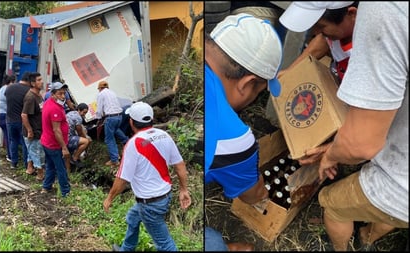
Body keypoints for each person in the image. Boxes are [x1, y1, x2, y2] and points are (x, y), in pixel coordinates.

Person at [280, 2, 408, 251]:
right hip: (380, 129)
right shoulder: (351, 31)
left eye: (323, 27)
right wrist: (290, 72)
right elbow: (322, 42)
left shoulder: (373, 43)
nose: (319, 34)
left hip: (392, 160)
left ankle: (350, 243)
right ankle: (366, 235)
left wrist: (331, 153)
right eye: (314, 28)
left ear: (352, 14)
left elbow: (362, 140)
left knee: (332, 202)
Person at [204, 13, 283, 251]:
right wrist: (266, 189)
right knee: (214, 243)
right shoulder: (233, 139)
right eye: (258, 92)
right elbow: (252, 195)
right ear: (248, 83)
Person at [103, 101, 191, 251]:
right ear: (151, 119)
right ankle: (127, 249)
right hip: (164, 195)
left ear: (131, 122)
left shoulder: (132, 144)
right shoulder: (164, 135)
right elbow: (180, 165)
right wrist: (184, 189)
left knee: (165, 244)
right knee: (132, 217)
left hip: (150, 203)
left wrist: (109, 198)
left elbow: (122, 179)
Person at [277, 2, 358, 82]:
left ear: (352, 14)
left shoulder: (364, 51)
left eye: (321, 26)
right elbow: (323, 40)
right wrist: (291, 71)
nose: (315, 32)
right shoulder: (339, 32)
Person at [40, 82, 71, 197]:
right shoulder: (55, 109)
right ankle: (65, 192)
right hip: (54, 145)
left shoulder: (48, 102)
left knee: (51, 166)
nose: (63, 96)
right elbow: (56, 130)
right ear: (53, 94)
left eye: (64, 93)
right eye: (60, 94)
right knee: (61, 169)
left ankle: (46, 186)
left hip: (46, 141)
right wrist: (64, 147)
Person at [95, 80, 129, 166]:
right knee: (116, 129)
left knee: (109, 139)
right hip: (119, 116)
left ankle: (114, 159)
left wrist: (98, 119)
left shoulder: (101, 94)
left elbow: (99, 110)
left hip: (111, 118)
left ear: (100, 88)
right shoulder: (112, 93)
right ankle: (126, 141)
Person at [21, 72, 45, 181]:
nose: (42, 82)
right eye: (39, 80)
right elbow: (24, 115)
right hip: (32, 131)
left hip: (38, 129)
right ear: (33, 83)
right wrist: (30, 131)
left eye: (41, 79)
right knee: (36, 153)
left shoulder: (39, 95)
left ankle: (29, 169)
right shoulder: (30, 97)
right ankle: (40, 173)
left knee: (32, 150)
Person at [4, 71, 31, 170]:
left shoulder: (9, 88)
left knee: (13, 141)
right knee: (25, 143)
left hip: (9, 120)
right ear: (29, 81)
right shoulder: (28, 90)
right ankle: (25, 164)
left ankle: (13, 163)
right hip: (22, 121)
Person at [65, 103, 91, 173]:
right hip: (67, 138)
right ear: (79, 110)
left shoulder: (71, 113)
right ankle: (75, 158)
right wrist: (87, 139)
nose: (84, 114)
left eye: (85, 113)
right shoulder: (78, 118)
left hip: (63, 136)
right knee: (85, 141)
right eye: (83, 112)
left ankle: (69, 169)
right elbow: (80, 132)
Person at [0, 74, 16, 162]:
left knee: (7, 135)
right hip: (4, 115)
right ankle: (10, 156)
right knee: (9, 136)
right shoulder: (8, 89)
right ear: (11, 82)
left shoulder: (1, 89)